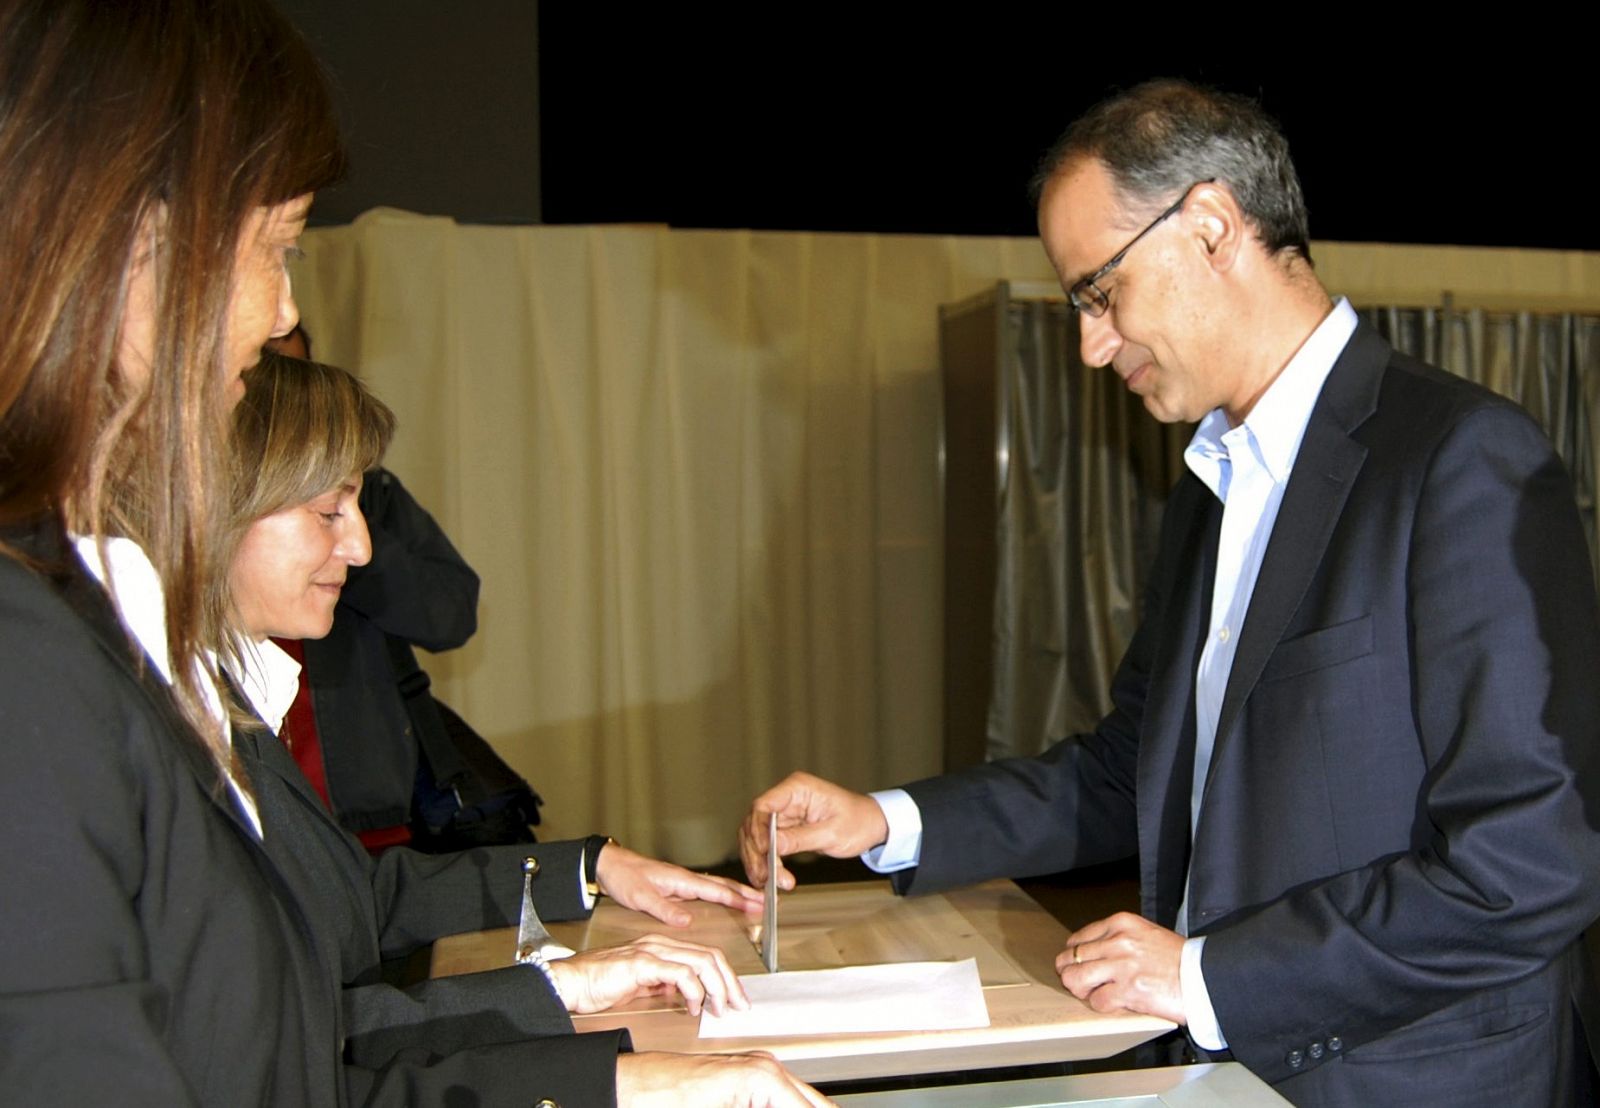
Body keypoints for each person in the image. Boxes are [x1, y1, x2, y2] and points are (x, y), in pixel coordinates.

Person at [740, 80, 1600, 1106]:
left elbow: (1529, 864)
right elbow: (1126, 772)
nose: (1091, 346)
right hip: (1222, 1067)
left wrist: (1201, 974)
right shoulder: (1209, 490)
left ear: (1209, 226)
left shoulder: (1458, 458)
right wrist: (880, 821)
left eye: (1099, 293)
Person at [224, 351, 832, 1106]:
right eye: (328, 512)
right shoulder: (165, 731)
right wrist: (603, 1075)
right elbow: (300, 1061)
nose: (361, 548)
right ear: (214, 500)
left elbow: (360, 904)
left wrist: (586, 885)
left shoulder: (230, 701)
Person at [265, 324, 537, 853]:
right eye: (266, 375)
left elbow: (451, 613)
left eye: (300, 378)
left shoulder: (375, 504)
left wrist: (339, 529)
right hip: (267, 814)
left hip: (367, 806)